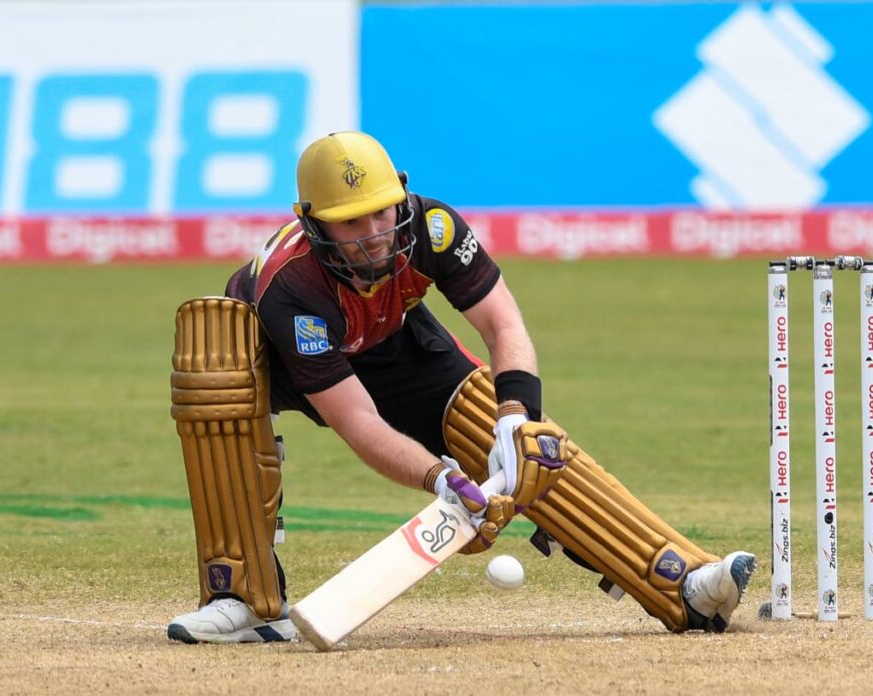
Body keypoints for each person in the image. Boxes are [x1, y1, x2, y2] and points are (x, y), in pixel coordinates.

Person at [166, 131, 756, 645]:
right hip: (275, 359)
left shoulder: (433, 227)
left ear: (401, 191)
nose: (374, 234)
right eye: (352, 222)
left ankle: (684, 583)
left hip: (396, 339)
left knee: (521, 444)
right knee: (213, 382)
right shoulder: (294, 289)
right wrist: (440, 479)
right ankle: (243, 596)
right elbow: (357, 422)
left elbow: (505, 326)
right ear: (311, 220)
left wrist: (516, 419)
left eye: (382, 211)